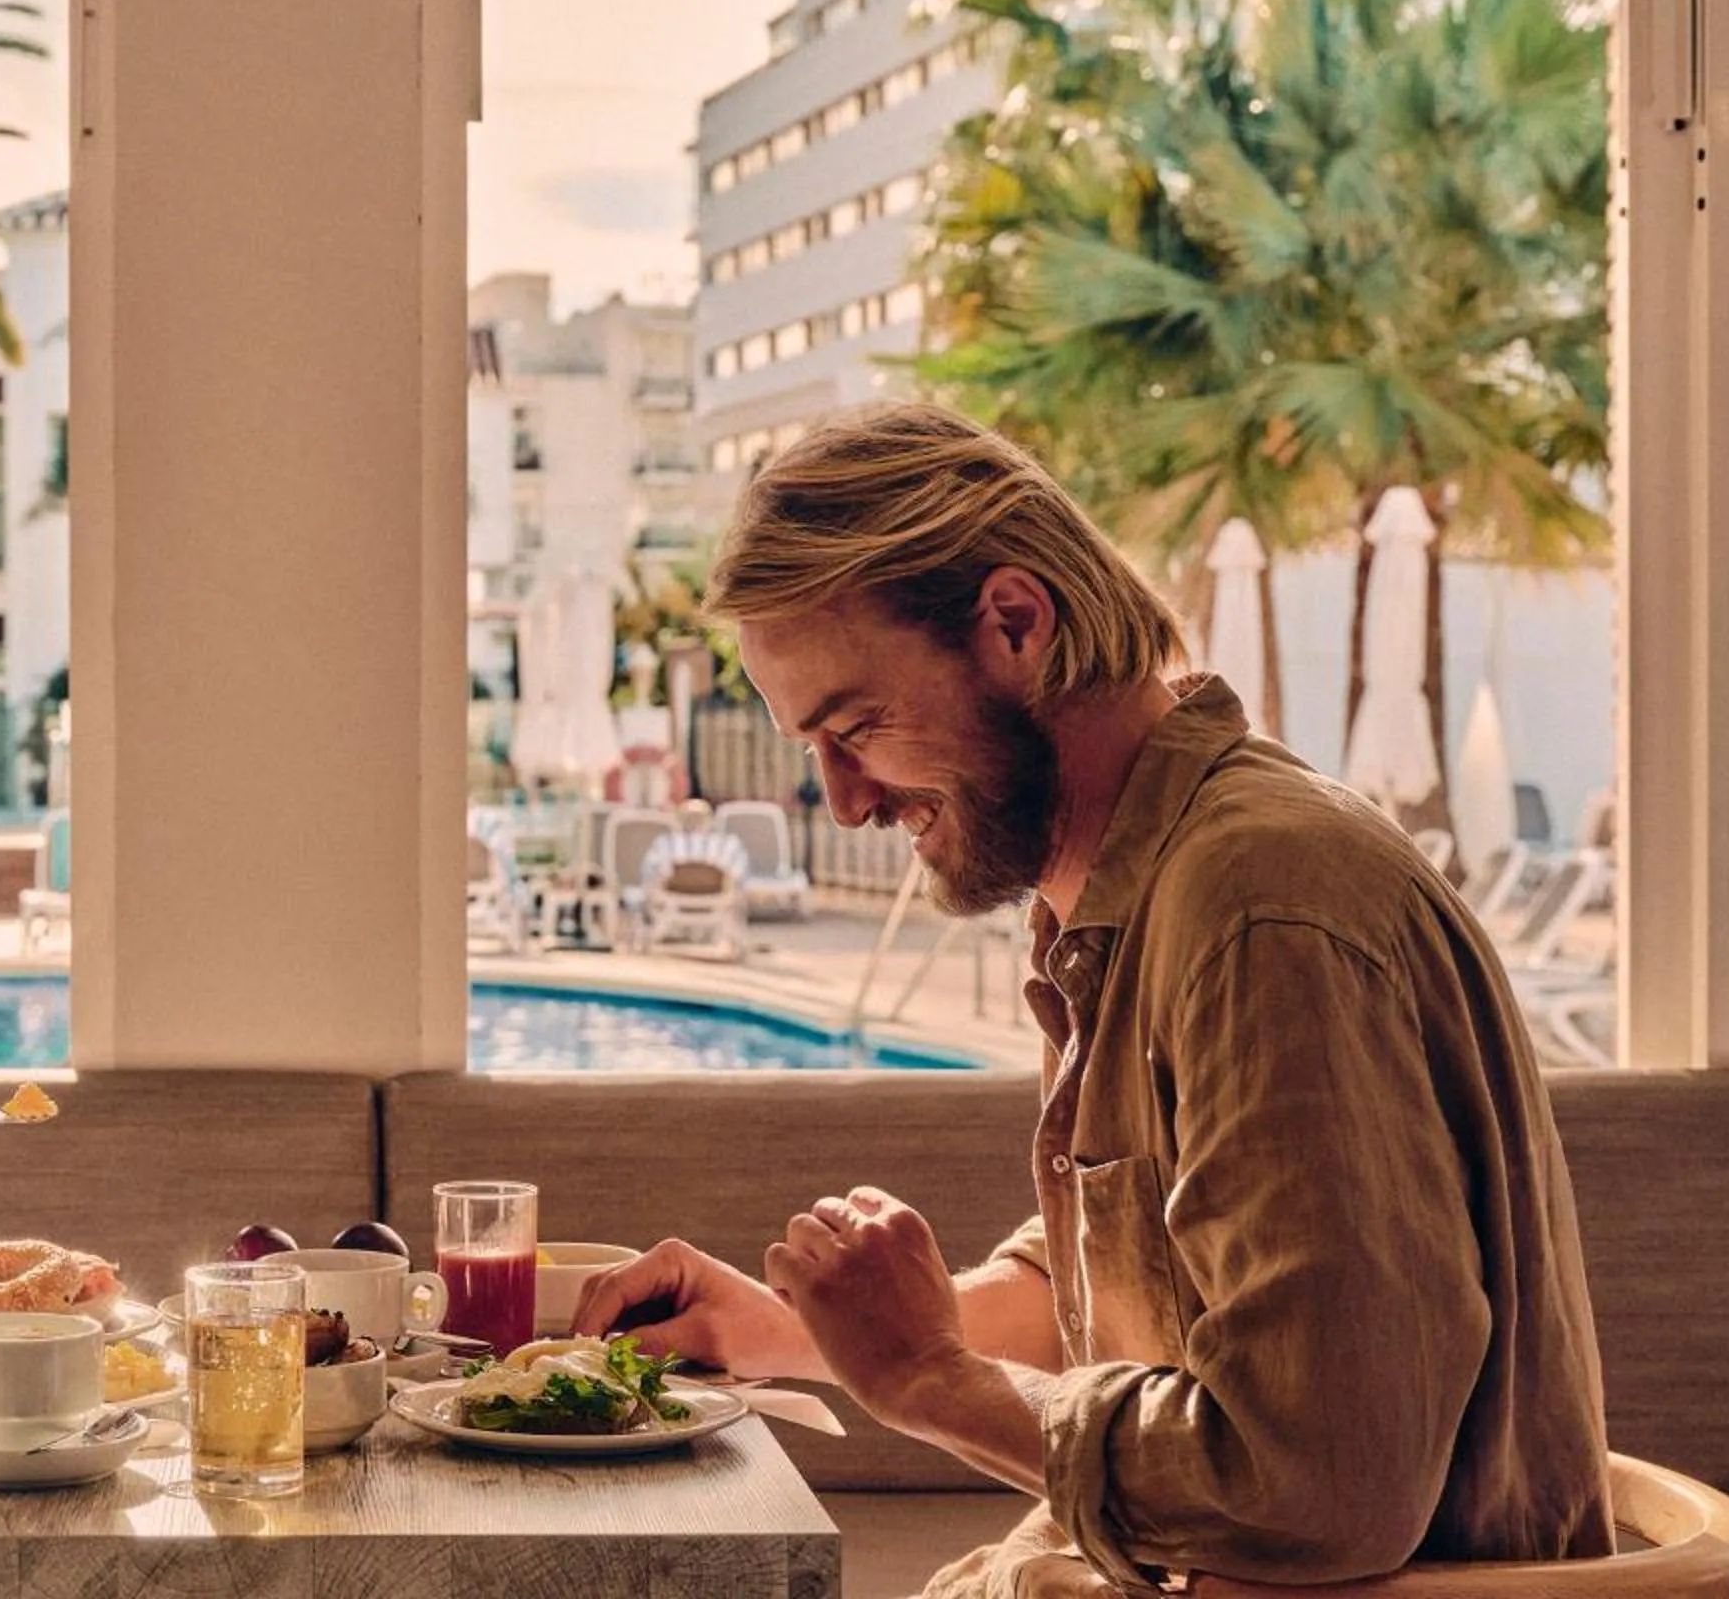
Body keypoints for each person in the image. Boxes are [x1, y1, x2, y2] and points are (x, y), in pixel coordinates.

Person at [576, 404, 1609, 1594]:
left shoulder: (1260, 908)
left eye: (856, 727)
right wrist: (789, 1329)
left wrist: (930, 1379)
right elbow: (1137, 1286)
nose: (848, 800)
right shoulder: (1133, 894)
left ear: (1016, 622)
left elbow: (1315, 1484)